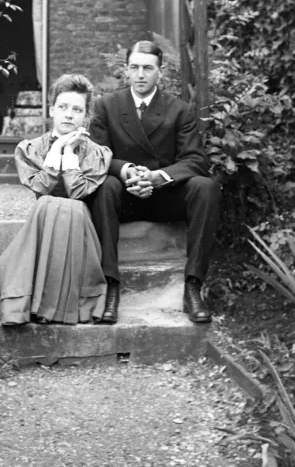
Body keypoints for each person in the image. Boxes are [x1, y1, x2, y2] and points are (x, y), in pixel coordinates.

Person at [87, 40, 220, 324]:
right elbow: (94, 157)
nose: (140, 74)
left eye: (148, 68)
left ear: (160, 72)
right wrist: (125, 171)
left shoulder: (179, 110)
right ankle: (111, 286)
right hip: (123, 197)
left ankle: (193, 287)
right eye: (134, 67)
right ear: (126, 70)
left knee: (205, 187)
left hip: (164, 198)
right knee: (104, 185)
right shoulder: (106, 106)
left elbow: (196, 160)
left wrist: (158, 177)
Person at [0, 74, 113, 326]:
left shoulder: (97, 153)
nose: (69, 115)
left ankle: (49, 307)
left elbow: (79, 192)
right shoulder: (30, 148)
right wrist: (56, 150)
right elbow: (41, 188)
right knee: (47, 203)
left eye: (77, 109)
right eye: (63, 107)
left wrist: (69, 154)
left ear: (86, 117)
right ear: (51, 110)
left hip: (78, 225)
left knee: (71, 208)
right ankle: (40, 304)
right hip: (42, 222)